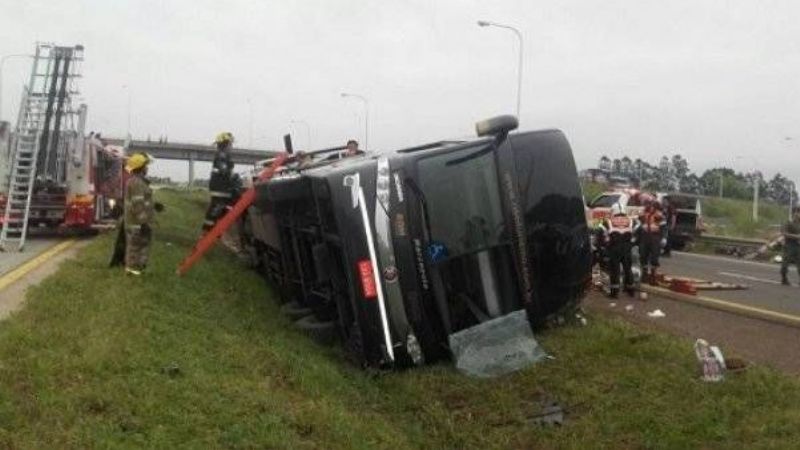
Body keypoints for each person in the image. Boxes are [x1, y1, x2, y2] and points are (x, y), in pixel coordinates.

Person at [122, 152, 156, 275]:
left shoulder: (139, 182)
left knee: (141, 246)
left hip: (138, 222)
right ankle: (132, 270)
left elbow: (143, 201)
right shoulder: (136, 182)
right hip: (137, 223)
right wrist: (144, 223)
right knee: (135, 247)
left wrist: (155, 206)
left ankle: (139, 269)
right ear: (141, 168)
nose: (147, 168)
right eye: (146, 166)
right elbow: (137, 204)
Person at [601, 203, 637, 298]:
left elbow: (602, 235)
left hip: (614, 249)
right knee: (628, 270)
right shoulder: (631, 221)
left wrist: (606, 246)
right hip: (627, 249)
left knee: (614, 271)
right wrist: (632, 244)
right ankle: (631, 291)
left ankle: (614, 293)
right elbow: (638, 234)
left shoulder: (608, 222)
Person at [203, 132, 236, 232]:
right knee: (217, 208)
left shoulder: (224, 155)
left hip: (222, 188)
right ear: (225, 144)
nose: (231, 147)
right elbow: (224, 170)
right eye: (230, 144)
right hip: (220, 188)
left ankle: (213, 230)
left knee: (224, 208)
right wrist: (233, 176)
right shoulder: (222, 155)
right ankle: (208, 231)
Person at [638, 195, 664, 285]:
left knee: (654, 257)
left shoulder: (658, 214)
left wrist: (664, 238)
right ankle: (644, 276)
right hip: (645, 236)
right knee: (643, 256)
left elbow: (663, 226)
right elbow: (639, 222)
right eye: (647, 204)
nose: (648, 206)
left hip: (655, 237)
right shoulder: (643, 213)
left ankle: (653, 277)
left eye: (650, 204)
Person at [780, 208, 800, 285]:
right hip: (789, 246)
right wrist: (796, 236)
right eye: (797, 212)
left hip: (798, 246)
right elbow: (784, 233)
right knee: (785, 263)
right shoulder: (788, 223)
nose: (798, 214)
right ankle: (784, 278)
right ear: (794, 213)